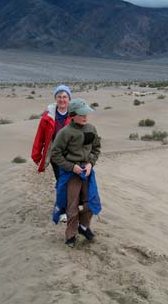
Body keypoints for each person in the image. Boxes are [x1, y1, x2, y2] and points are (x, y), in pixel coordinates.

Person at [51, 98, 102, 247]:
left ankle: (84, 227)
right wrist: (71, 167)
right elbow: (55, 154)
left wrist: (90, 164)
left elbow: (96, 149)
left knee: (91, 202)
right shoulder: (64, 132)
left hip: (87, 173)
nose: (85, 116)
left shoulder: (91, 129)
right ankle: (70, 234)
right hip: (71, 174)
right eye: (81, 114)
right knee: (72, 206)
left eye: (86, 113)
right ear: (72, 114)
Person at [31, 85, 72, 179]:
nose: (62, 100)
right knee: (61, 180)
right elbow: (40, 137)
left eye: (65, 97)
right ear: (55, 99)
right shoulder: (47, 117)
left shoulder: (75, 116)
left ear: (69, 99)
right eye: (59, 97)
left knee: (72, 181)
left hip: (72, 156)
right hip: (56, 156)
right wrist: (36, 156)